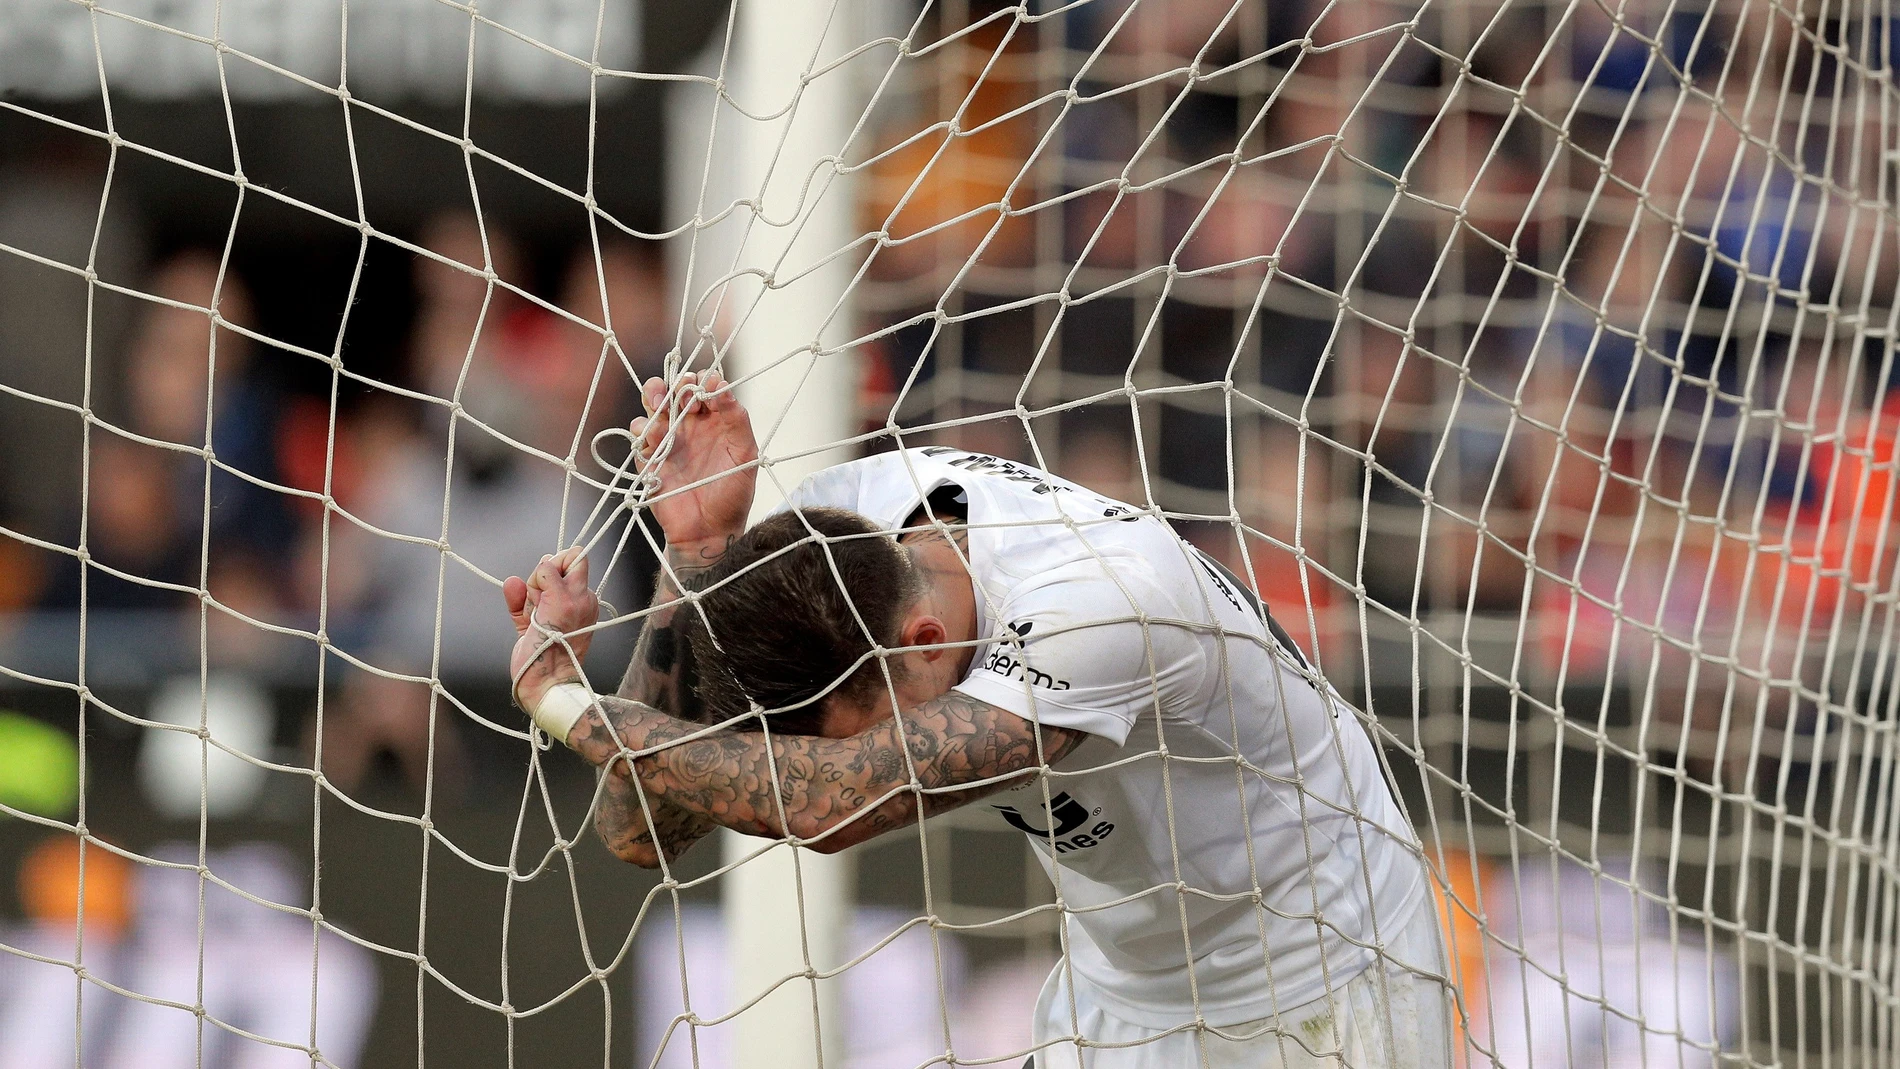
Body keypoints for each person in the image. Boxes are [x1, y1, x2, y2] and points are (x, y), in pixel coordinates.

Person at [502, 373, 1452, 1068]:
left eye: (863, 730)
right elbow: (641, 829)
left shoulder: (1098, 607)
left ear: (922, 640)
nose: (858, 751)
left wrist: (560, 697)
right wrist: (701, 553)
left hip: (1326, 977)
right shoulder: (832, 544)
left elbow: (831, 802)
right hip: (1124, 990)